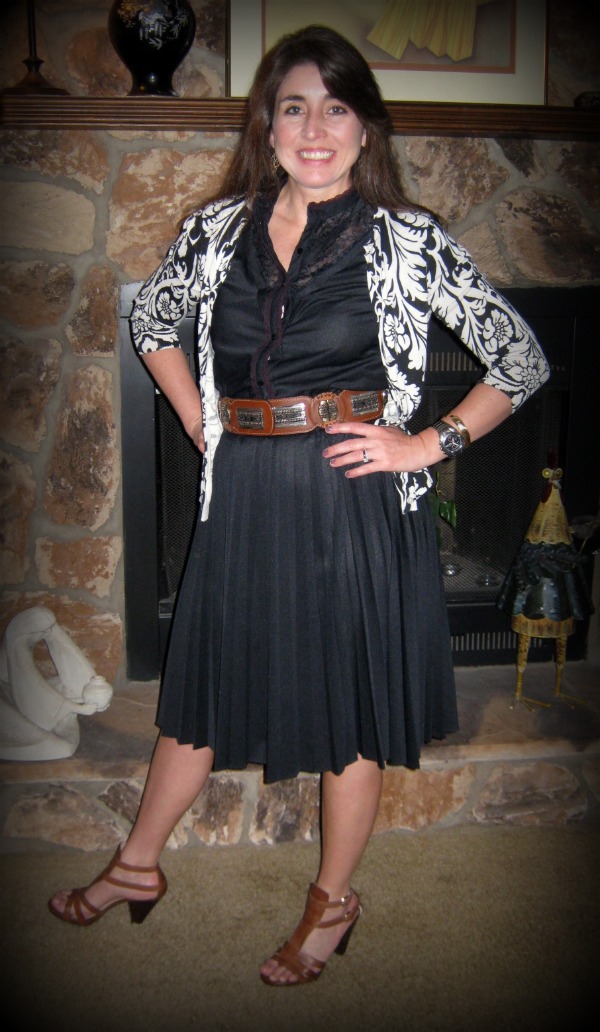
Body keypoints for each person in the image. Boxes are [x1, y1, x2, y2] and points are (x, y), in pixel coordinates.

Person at [48, 25, 550, 986]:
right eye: (294, 108)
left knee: (349, 708)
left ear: (365, 128)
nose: (315, 129)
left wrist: (427, 444)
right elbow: (152, 320)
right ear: (268, 127)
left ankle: (333, 901)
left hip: (350, 498)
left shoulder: (407, 238)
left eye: (336, 108)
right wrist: (198, 420)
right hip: (242, 490)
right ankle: (138, 863)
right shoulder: (215, 229)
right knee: (202, 682)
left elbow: (519, 358)